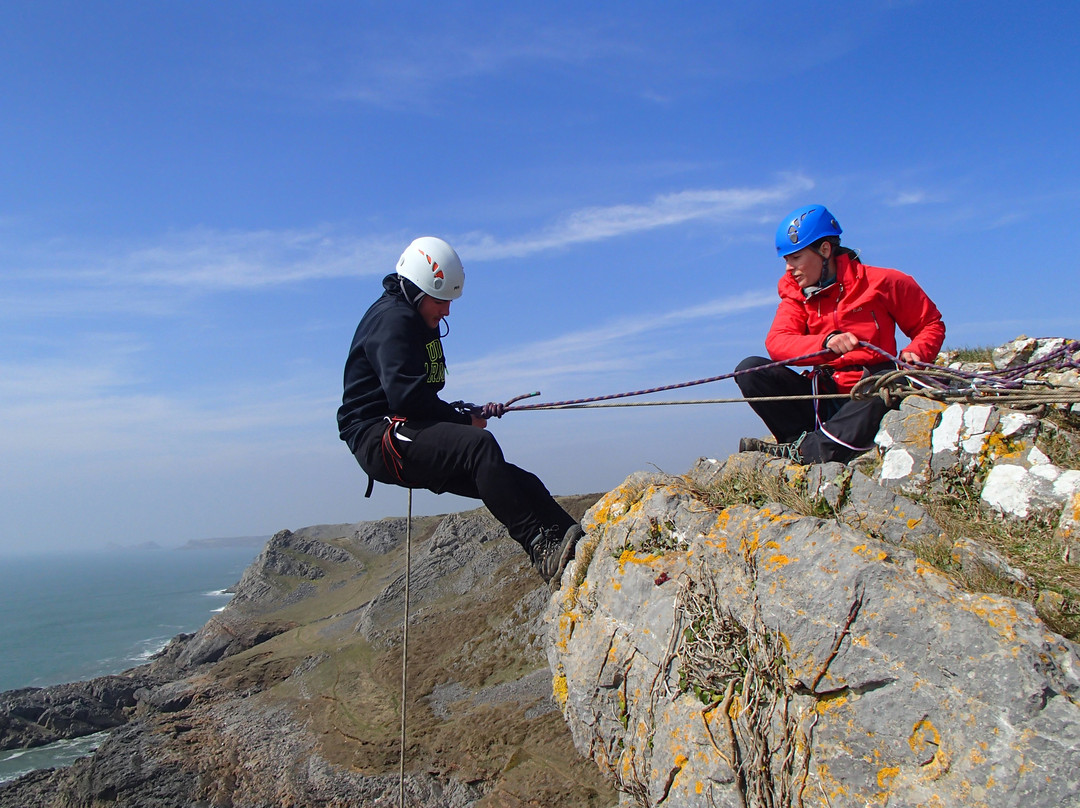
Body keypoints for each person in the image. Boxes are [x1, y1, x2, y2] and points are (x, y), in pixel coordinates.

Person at [337, 236, 582, 585]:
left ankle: (574, 540)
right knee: (479, 446)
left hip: (402, 426)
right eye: (441, 301)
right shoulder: (392, 322)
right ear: (420, 291)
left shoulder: (413, 319)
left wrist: (459, 417)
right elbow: (407, 397)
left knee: (513, 479)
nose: (447, 311)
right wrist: (464, 420)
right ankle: (540, 549)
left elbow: (416, 395)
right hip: (378, 436)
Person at [735, 204, 945, 464]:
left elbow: (930, 324)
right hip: (823, 391)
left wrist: (916, 352)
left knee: (888, 386)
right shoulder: (796, 295)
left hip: (869, 386)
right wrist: (825, 341)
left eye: (796, 257)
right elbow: (777, 342)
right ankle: (796, 442)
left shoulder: (883, 282)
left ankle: (811, 450)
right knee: (750, 370)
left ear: (824, 250)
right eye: (787, 260)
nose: (789, 268)